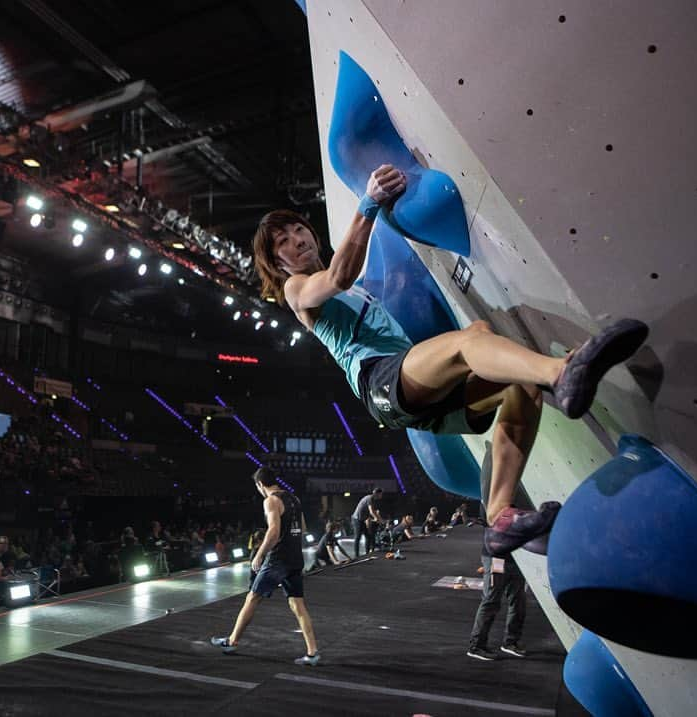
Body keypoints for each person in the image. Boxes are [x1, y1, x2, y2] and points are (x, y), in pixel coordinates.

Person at [252, 171, 648, 556]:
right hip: (381, 383)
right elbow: (338, 276)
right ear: (278, 263)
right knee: (468, 343)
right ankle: (562, 373)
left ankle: (500, 517)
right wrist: (368, 204)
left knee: (516, 381)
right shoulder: (296, 289)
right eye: (282, 243)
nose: (296, 241)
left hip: (411, 392)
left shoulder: (350, 289)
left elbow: (346, 278)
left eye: (297, 230)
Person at [211, 467, 320, 665]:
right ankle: (312, 653)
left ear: (260, 484)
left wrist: (259, 555)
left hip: (278, 559)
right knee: (298, 604)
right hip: (296, 558)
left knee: (252, 597)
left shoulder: (270, 501)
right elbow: (302, 528)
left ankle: (232, 641)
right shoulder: (294, 499)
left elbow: (273, 532)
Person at [467, 548, 527, 660]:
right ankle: (476, 646)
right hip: (497, 559)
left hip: (516, 559)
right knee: (491, 601)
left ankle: (510, 642)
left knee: (518, 601)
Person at [350, 488, 384, 557]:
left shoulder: (373, 500)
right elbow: (371, 511)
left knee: (368, 536)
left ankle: (367, 554)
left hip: (362, 520)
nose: (382, 496)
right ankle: (356, 556)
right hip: (357, 519)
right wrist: (377, 519)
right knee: (358, 537)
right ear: (378, 494)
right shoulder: (370, 498)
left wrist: (381, 519)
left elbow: (374, 512)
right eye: (381, 494)